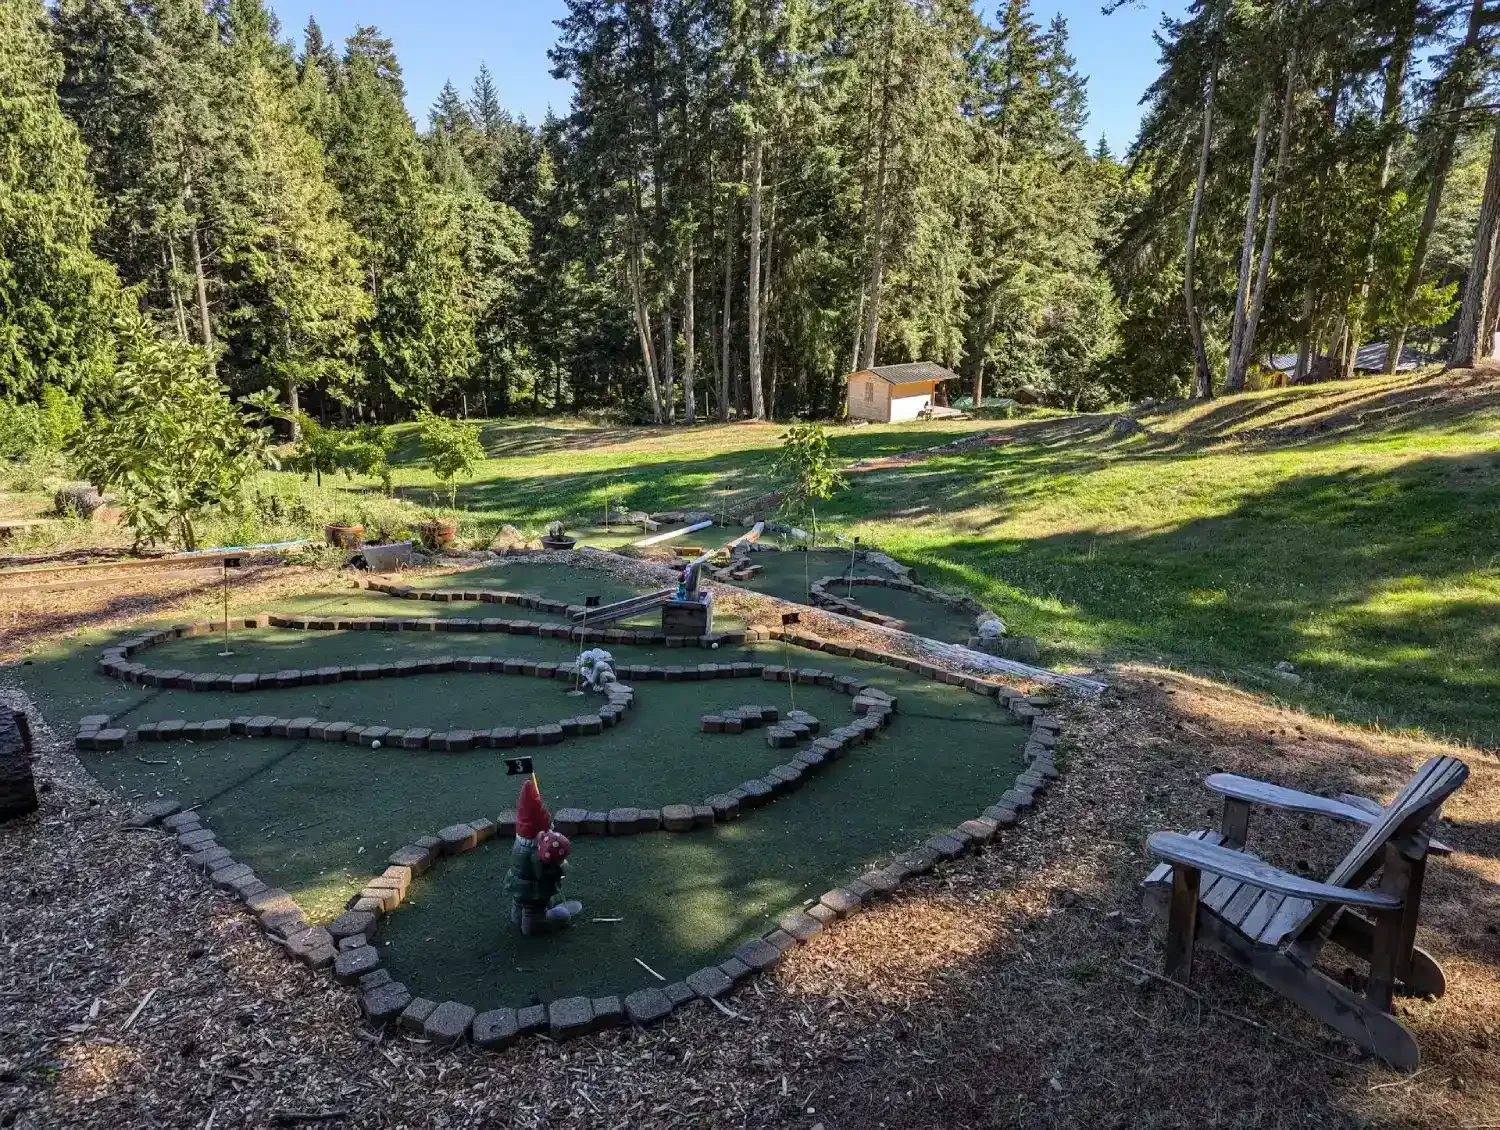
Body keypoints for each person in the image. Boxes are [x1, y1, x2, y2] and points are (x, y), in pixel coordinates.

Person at [504, 777, 582, 935]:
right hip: (533, 889)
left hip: (517, 882)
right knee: (532, 908)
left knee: (519, 901)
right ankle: (533, 926)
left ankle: (517, 918)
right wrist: (558, 867)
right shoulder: (537, 852)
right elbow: (543, 872)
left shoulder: (520, 843)